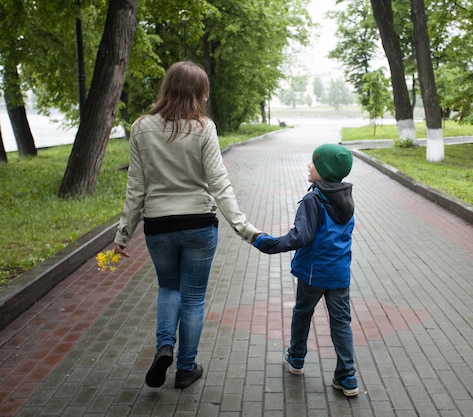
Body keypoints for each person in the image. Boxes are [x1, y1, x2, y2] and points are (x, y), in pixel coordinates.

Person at [113, 61, 260, 389]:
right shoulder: (204, 128)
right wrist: (244, 228)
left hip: (158, 226)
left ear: (167, 87)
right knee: (193, 298)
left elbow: (136, 187)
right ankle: (185, 368)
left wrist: (123, 235)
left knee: (168, 288)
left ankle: (164, 345)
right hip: (198, 224)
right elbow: (219, 181)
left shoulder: (141, 128)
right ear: (199, 93)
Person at [253, 143, 359, 396]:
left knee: (302, 312)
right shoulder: (346, 196)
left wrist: (267, 243)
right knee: (341, 322)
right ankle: (347, 376)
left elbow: (302, 236)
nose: (309, 165)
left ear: (325, 169)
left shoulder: (314, 199)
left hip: (313, 273)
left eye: (314, 162)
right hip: (339, 274)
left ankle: (297, 358)